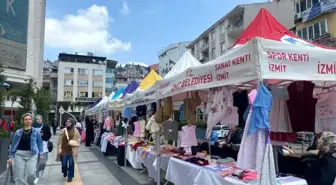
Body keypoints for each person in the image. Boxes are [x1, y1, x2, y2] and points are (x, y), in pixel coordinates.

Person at [8, 113, 43, 185]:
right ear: (23, 121)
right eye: (26, 119)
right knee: (20, 175)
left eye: (29, 119)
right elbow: (13, 145)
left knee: (30, 174)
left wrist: (41, 153)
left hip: (32, 155)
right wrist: (10, 157)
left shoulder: (36, 131)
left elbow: (39, 143)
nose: (28, 121)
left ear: (32, 121)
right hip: (19, 155)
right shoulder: (18, 132)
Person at [56, 118, 80, 182]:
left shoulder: (76, 130)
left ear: (72, 123)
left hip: (72, 150)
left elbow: (78, 139)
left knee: (71, 164)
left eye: (69, 122)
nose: (67, 123)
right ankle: (65, 171)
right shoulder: (63, 130)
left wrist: (75, 143)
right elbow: (59, 140)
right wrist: (58, 148)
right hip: (64, 149)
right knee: (64, 164)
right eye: (67, 122)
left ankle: (70, 176)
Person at [32, 114, 52, 180]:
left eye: (40, 118)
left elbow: (49, 135)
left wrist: (42, 135)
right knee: (36, 162)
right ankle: (36, 173)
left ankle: (41, 170)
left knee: (43, 162)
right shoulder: (32, 127)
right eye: (37, 119)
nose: (39, 120)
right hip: (35, 146)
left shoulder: (46, 127)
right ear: (35, 120)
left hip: (44, 146)